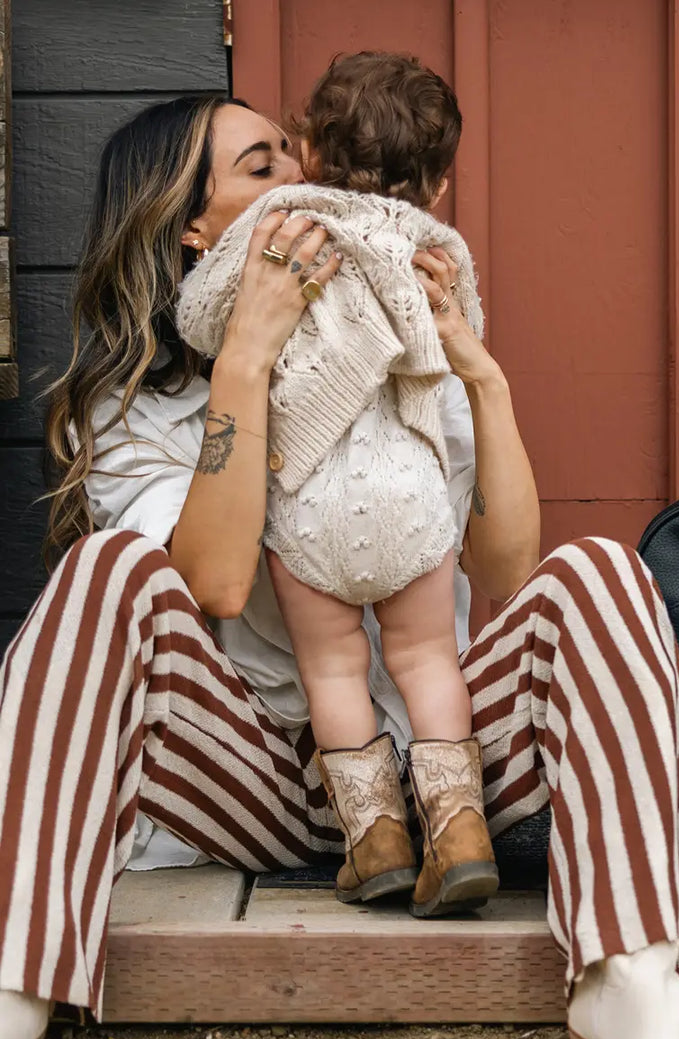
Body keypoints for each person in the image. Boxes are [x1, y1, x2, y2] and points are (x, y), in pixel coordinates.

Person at [0, 90, 679, 1039]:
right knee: (102, 571)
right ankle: (11, 995)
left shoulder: (390, 352)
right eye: (262, 168)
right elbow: (211, 580)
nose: (302, 182)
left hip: (452, 764)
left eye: (297, 159)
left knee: (599, 569)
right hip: (258, 770)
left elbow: (508, 577)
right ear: (192, 232)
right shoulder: (133, 415)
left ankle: (632, 989)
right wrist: (246, 356)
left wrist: (481, 377)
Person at [177, 52, 498, 918]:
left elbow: (203, 317)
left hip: (310, 493)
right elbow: (453, 328)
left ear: (313, 148)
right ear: (436, 184)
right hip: (411, 489)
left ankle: (376, 841)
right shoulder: (437, 243)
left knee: (332, 668)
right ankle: (460, 831)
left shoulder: (283, 218)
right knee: (429, 657)